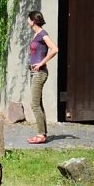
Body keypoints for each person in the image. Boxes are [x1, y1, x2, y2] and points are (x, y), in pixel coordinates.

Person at [27, 10, 59, 144]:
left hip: (40, 73)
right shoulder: (36, 35)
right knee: (38, 103)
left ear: (33, 21)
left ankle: (41, 135)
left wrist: (41, 63)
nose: (27, 21)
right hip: (34, 73)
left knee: (34, 104)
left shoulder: (42, 34)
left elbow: (55, 49)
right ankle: (42, 133)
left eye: (28, 19)